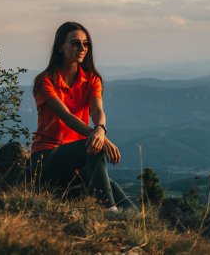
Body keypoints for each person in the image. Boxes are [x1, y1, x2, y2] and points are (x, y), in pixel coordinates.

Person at [30, 21, 136, 211]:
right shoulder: (44, 81)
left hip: (79, 159)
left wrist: (100, 130)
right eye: (75, 43)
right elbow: (67, 117)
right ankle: (109, 211)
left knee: (121, 199)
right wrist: (97, 136)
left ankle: (133, 220)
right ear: (60, 46)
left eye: (86, 44)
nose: (82, 48)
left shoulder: (91, 79)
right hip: (45, 158)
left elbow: (97, 110)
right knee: (93, 147)